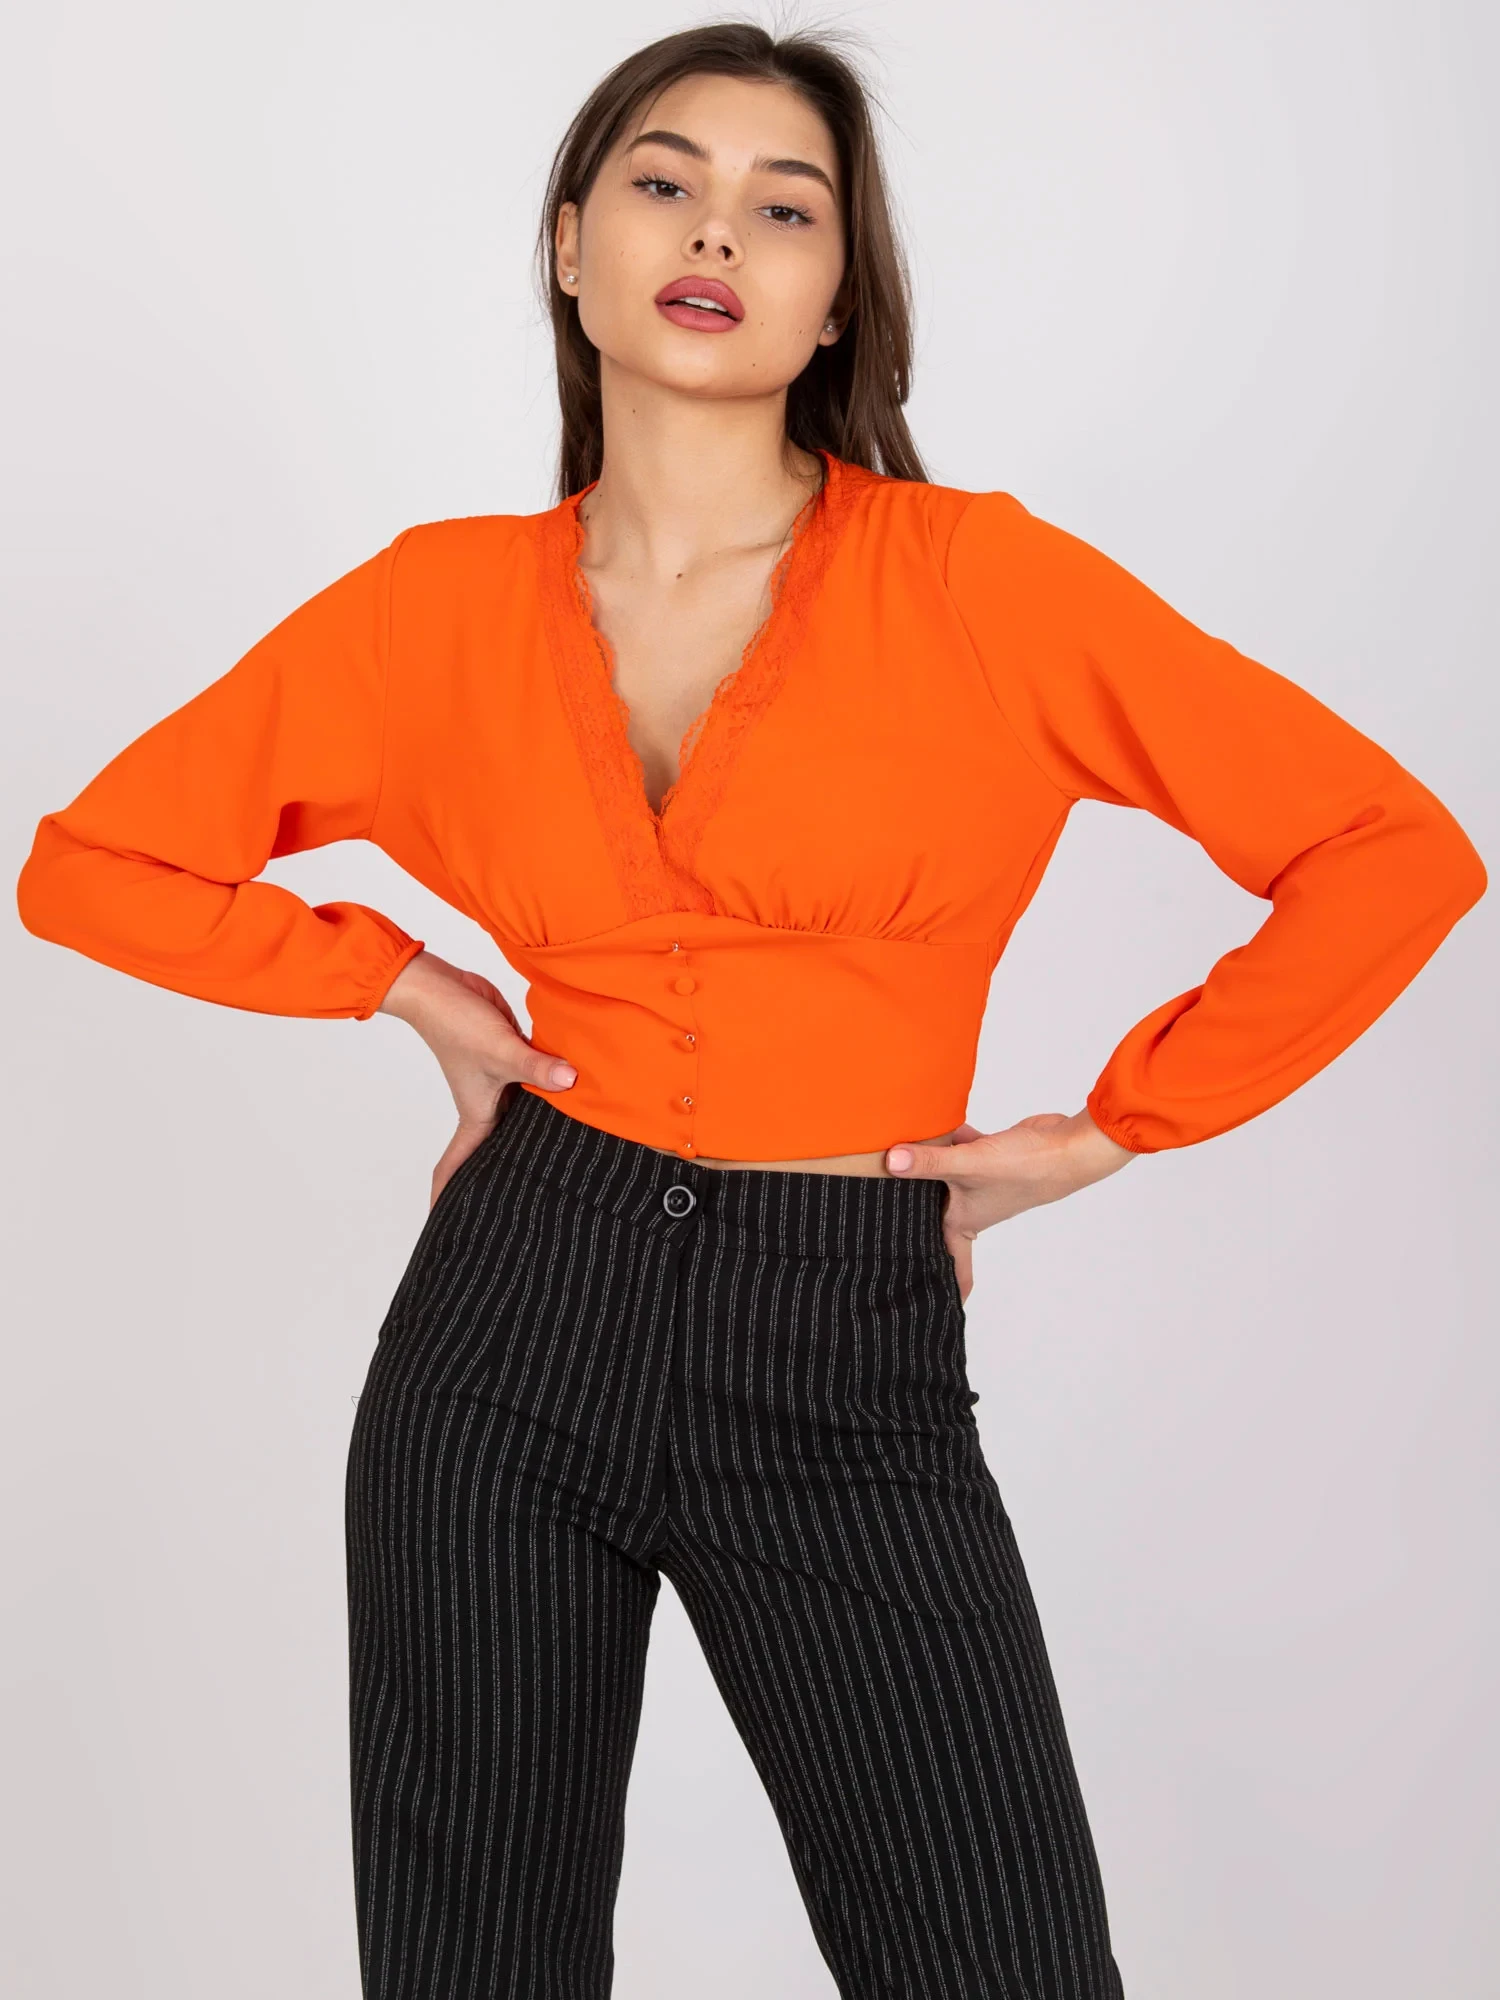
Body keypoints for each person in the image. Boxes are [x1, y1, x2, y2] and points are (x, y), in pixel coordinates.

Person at [15, 22, 1486, 2000]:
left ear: (835, 301)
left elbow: (1388, 849)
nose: (717, 231)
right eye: (664, 181)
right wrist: (399, 979)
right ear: (571, 246)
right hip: (509, 1320)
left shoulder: (981, 584)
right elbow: (90, 865)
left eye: (785, 209)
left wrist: (1109, 1126)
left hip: (843, 1337)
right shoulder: (431, 608)